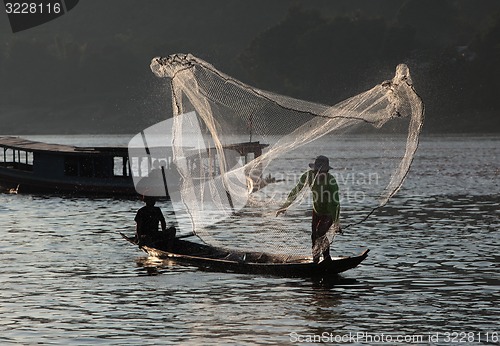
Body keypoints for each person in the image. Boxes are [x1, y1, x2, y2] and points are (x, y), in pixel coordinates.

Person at [276, 155, 340, 263]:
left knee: (320, 233)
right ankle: (315, 260)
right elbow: (296, 191)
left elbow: (335, 204)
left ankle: (327, 259)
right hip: (317, 210)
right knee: (314, 235)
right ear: (314, 170)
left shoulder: (331, 182)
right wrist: (285, 206)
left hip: (329, 212)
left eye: (323, 172)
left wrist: (336, 222)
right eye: (318, 171)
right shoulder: (308, 176)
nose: (320, 174)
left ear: (327, 171)